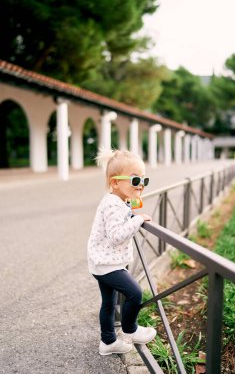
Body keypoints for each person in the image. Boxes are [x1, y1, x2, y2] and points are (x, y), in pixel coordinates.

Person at [87, 149, 157, 356]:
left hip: (102, 261)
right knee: (135, 293)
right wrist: (138, 219)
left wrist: (132, 207)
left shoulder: (118, 201)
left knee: (108, 303)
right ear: (115, 182)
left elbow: (124, 213)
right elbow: (116, 235)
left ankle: (108, 342)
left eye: (144, 179)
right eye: (136, 180)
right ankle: (131, 329)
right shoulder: (112, 205)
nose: (141, 184)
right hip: (108, 265)